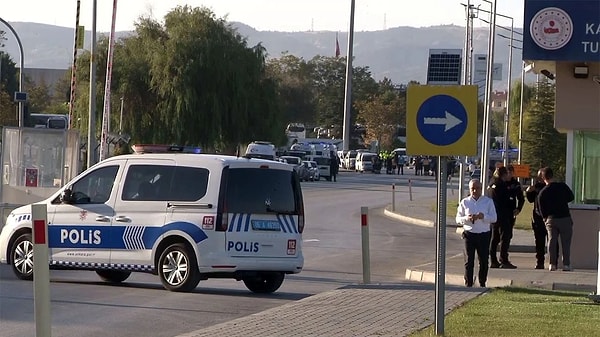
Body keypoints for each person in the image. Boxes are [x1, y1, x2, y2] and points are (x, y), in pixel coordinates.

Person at [456, 179, 497, 287]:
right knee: (469, 261)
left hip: (483, 234)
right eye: (472, 188)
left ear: (481, 188)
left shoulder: (488, 201)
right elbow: (458, 218)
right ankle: (468, 283)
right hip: (469, 234)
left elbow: (494, 218)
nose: (474, 191)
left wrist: (484, 217)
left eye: (477, 188)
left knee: (483, 260)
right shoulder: (465, 202)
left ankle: (482, 282)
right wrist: (467, 218)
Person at [536, 167, 575, 271]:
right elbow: (571, 197)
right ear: (553, 175)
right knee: (566, 242)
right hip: (564, 217)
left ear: (543, 178)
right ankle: (566, 264)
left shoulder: (543, 192)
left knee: (552, 241)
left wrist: (545, 218)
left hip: (551, 219)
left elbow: (540, 207)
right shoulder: (562, 186)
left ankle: (552, 264)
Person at [488, 166, 518, 269]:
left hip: (494, 215)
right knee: (505, 238)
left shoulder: (492, 184)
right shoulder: (501, 185)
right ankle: (503, 260)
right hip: (503, 214)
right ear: (504, 175)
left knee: (494, 238)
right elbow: (506, 199)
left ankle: (493, 260)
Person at [525, 174, 549, 269]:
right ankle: (540, 261)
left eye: (541, 176)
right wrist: (528, 192)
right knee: (539, 242)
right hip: (538, 218)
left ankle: (553, 261)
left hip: (549, 217)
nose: (539, 178)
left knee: (552, 241)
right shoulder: (537, 187)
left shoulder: (550, 187)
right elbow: (531, 200)